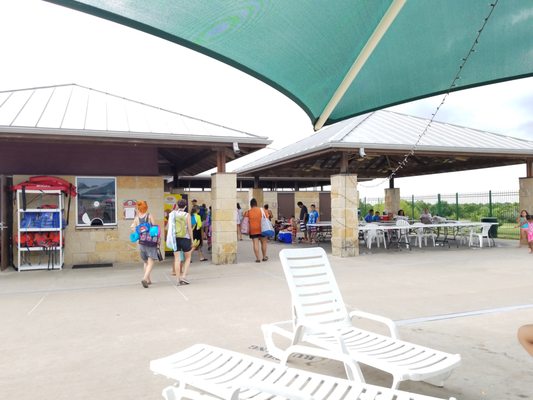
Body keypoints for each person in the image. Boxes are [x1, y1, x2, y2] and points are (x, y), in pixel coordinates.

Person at [166, 198, 194, 285]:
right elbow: (189, 228)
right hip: (185, 238)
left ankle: (178, 279)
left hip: (175, 239)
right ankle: (184, 276)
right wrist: (192, 240)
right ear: (185, 206)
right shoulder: (187, 215)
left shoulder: (172, 214)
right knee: (188, 258)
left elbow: (168, 227)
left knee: (177, 259)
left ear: (177, 205)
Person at [131, 200, 157, 288]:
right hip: (150, 241)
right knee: (151, 261)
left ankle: (149, 280)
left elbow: (133, 228)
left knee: (145, 262)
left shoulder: (137, 217)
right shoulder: (149, 216)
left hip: (141, 242)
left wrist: (139, 233)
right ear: (146, 207)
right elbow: (155, 229)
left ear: (139, 208)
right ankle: (145, 278)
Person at [243, 198, 268, 262]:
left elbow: (245, 220)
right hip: (263, 229)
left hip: (253, 230)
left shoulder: (248, 212)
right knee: (264, 243)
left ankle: (258, 258)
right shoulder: (262, 210)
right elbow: (267, 217)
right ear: (256, 204)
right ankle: (264, 257)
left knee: (255, 244)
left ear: (250, 205)